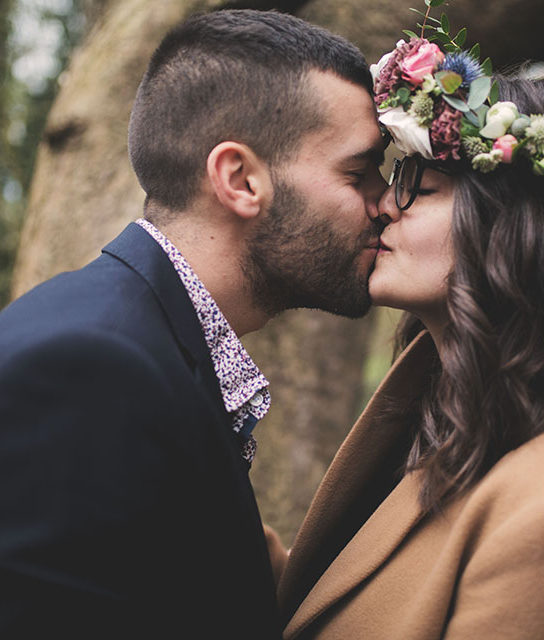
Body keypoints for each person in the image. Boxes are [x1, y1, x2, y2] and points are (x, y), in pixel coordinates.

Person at [275, 29, 544, 640]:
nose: (385, 207)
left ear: (507, 228)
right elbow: (346, 603)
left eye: (418, 181)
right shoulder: (446, 417)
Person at [0, 8, 385, 638]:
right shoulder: (87, 368)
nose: (386, 201)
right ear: (239, 179)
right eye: (357, 172)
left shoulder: (143, 343)